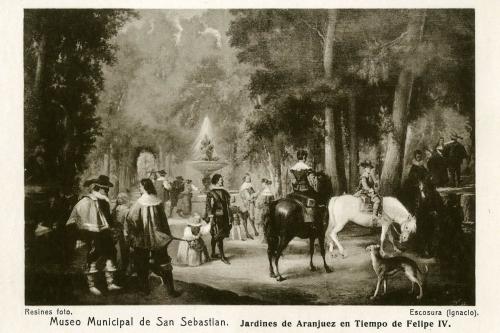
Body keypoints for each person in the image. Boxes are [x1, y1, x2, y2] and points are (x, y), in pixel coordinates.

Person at [66, 175, 121, 296]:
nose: (107, 192)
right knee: (93, 255)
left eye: (107, 190)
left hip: (104, 232)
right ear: (97, 188)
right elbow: (75, 219)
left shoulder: (104, 201)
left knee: (111, 253)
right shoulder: (86, 201)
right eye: (105, 189)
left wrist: (112, 228)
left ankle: (110, 283)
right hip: (92, 233)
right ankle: (91, 285)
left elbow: (108, 218)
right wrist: (82, 234)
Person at [125, 178, 179, 296]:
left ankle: (145, 290)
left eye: (140, 186)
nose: (139, 188)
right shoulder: (158, 202)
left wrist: (133, 233)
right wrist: (167, 235)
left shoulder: (138, 203)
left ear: (144, 188)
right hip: (158, 238)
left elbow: (131, 219)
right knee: (164, 263)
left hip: (142, 239)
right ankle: (171, 290)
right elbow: (164, 222)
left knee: (142, 263)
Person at [204, 174, 232, 265]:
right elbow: (208, 206)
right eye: (220, 180)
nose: (222, 181)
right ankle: (222, 256)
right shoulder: (211, 193)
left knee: (217, 236)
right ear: (216, 181)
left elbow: (227, 205)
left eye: (222, 180)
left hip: (224, 216)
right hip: (216, 217)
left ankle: (213, 253)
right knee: (218, 236)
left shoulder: (224, 192)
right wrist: (211, 216)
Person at [402, 150, 428, 214]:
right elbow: (411, 175)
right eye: (417, 157)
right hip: (414, 184)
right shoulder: (414, 166)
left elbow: (426, 173)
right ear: (415, 157)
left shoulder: (422, 165)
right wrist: (416, 180)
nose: (418, 158)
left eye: (419, 156)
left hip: (421, 182)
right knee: (415, 198)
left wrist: (425, 178)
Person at [111, 192, 130, 276]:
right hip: (117, 231)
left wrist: (125, 233)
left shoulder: (124, 209)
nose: (119, 200)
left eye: (121, 198)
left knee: (120, 251)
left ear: (124, 199)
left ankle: (120, 269)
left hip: (120, 232)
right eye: (118, 198)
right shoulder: (116, 208)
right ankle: (119, 269)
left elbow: (126, 223)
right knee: (119, 251)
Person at [239, 173, 259, 239]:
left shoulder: (249, 186)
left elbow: (253, 194)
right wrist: (255, 195)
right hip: (244, 204)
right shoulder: (244, 187)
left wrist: (255, 194)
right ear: (245, 179)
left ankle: (255, 231)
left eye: (250, 178)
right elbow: (248, 197)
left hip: (249, 204)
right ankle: (247, 233)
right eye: (248, 178)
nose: (249, 179)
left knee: (250, 218)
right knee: (245, 218)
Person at [256, 178, 275, 243]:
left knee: (262, 223)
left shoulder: (264, 192)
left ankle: (264, 239)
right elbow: (272, 201)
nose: (262, 185)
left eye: (262, 184)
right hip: (270, 209)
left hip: (264, 210)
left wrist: (258, 205)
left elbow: (261, 203)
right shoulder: (270, 191)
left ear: (264, 184)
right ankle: (267, 238)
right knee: (268, 224)